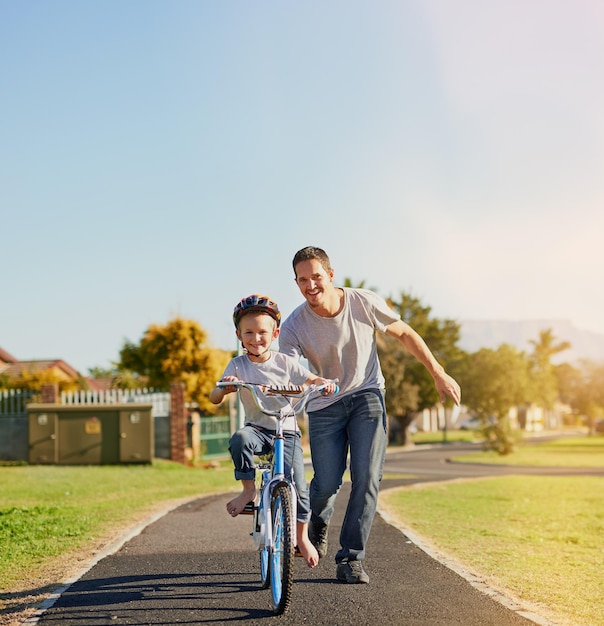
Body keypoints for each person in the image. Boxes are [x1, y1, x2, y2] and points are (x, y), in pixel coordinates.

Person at [279, 246, 461, 584]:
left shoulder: (363, 301)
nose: (310, 285)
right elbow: (288, 369)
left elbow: (404, 332)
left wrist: (438, 372)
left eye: (316, 277)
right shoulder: (293, 325)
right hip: (323, 405)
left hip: (367, 396)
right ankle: (316, 526)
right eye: (302, 280)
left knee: (367, 477)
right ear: (296, 282)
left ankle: (350, 558)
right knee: (326, 483)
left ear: (331, 276)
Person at [209, 294, 337, 569]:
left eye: (263, 332)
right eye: (249, 333)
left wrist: (322, 382)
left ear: (276, 333)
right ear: (239, 335)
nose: (256, 338)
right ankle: (248, 490)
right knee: (239, 439)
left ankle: (301, 538)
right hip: (257, 429)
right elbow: (213, 397)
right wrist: (226, 387)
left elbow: (310, 379)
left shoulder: (284, 363)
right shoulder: (237, 365)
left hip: (286, 431)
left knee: (300, 489)